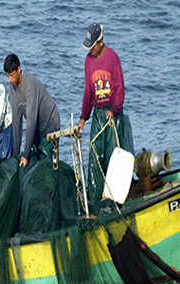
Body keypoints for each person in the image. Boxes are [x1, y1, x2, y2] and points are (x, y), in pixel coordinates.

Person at [77, 23, 131, 213]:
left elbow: (120, 90)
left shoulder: (113, 58)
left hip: (112, 115)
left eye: (93, 45)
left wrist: (114, 110)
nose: (91, 49)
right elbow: (88, 91)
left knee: (111, 157)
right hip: (98, 114)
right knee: (94, 157)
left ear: (101, 42)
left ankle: (113, 203)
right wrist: (84, 117)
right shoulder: (88, 61)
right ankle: (95, 203)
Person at [4, 53, 61, 168]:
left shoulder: (30, 85)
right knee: (32, 165)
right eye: (7, 76)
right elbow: (17, 122)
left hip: (50, 125)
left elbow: (31, 121)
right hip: (36, 131)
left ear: (19, 69)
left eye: (12, 75)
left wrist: (25, 155)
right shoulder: (12, 87)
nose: (10, 80)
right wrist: (15, 156)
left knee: (46, 167)